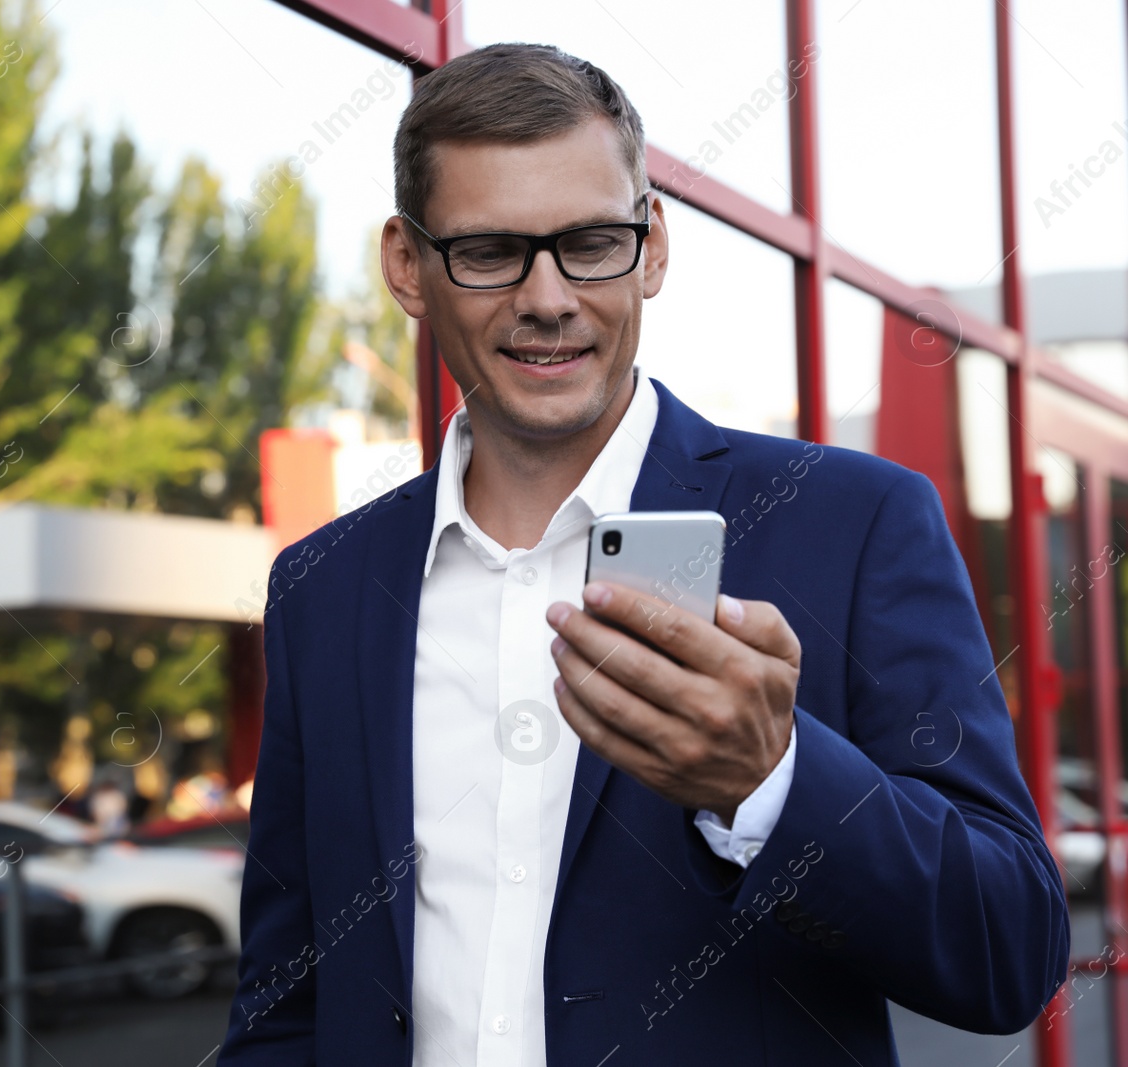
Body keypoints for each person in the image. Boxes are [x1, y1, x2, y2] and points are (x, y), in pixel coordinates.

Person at [216, 42, 1068, 1067]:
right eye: (488, 250)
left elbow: (1008, 950)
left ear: (651, 244)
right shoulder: (323, 587)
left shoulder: (854, 524)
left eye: (589, 243)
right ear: (407, 264)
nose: (546, 297)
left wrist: (774, 778)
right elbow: (282, 1004)